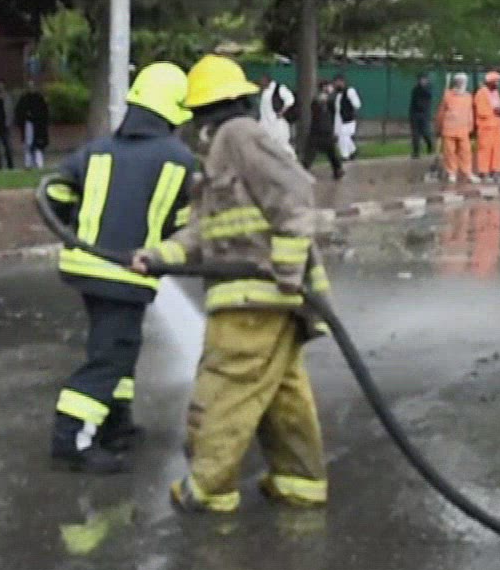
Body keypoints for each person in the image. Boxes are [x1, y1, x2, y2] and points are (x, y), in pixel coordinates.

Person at [133, 54, 330, 514]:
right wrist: (158, 257)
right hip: (263, 299)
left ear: (203, 111)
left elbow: (295, 196)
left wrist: (285, 274)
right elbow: (203, 231)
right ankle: (299, 481)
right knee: (283, 395)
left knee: (222, 389)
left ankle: (209, 487)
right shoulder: (222, 151)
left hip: (254, 299)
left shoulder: (239, 136)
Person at [41, 62, 197, 474]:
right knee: (110, 356)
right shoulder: (180, 159)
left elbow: (55, 195)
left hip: (84, 266)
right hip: (128, 271)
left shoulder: (96, 150)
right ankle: (71, 441)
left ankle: (115, 422)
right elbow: (184, 226)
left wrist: (80, 226)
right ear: (173, 112)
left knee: (117, 345)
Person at [301, 82, 344, 180]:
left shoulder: (332, 101)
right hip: (317, 131)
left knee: (331, 152)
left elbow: (335, 109)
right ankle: (303, 170)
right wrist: (323, 99)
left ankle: (338, 170)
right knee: (310, 152)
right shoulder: (317, 101)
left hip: (327, 131)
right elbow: (315, 108)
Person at [438, 72, 476, 184]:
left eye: (463, 81)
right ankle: (452, 173)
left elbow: (470, 112)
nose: (462, 83)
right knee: (450, 152)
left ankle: (467, 172)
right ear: (456, 83)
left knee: (466, 152)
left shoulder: (468, 96)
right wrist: (439, 126)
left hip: (463, 129)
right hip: (449, 129)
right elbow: (441, 112)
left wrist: (471, 125)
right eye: (460, 81)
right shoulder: (448, 95)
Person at [472, 70, 500, 182]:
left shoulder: (496, 92)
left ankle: (496, 171)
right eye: (496, 81)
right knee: (485, 149)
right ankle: (484, 171)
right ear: (490, 82)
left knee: (498, 149)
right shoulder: (481, 93)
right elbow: (481, 111)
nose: (497, 84)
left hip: (497, 126)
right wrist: (496, 111)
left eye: (498, 81)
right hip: (486, 127)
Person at [257, 73, 297, 154]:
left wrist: (282, 112)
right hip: (265, 122)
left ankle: (290, 159)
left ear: (267, 80)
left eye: (262, 81)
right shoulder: (264, 91)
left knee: (282, 144)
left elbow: (290, 100)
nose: (260, 83)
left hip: (277, 122)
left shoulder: (279, 88)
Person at [16, 79, 51, 168]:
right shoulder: (24, 99)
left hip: (38, 126)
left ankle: (39, 163)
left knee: (38, 145)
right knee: (27, 144)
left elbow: (44, 113)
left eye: (32, 86)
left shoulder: (39, 99)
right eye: (29, 86)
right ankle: (28, 163)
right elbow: (19, 112)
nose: (31, 88)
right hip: (27, 125)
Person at [334, 75, 362, 161]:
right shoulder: (339, 94)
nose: (337, 84)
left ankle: (345, 155)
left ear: (343, 82)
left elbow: (357, 104)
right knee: (343, 137)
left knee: (344, 137)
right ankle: (353, 151)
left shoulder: (349, 91)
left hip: (348, 119)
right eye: (336, 82)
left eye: (338, 82)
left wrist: (350, 111)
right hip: (340, 119)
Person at [408, 74, 435, 158]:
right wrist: (411, 114)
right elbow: (413, 102)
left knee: (425, 132)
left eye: (424, 79)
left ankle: (430, 145)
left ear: (427, 80)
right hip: (415, 114)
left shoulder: (428, 89)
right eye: (420, 79)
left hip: (424, 114)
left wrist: (423, 87)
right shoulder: (415, 89)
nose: (422, 81)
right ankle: (416, 152)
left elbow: (429, 96)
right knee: (415, 134)